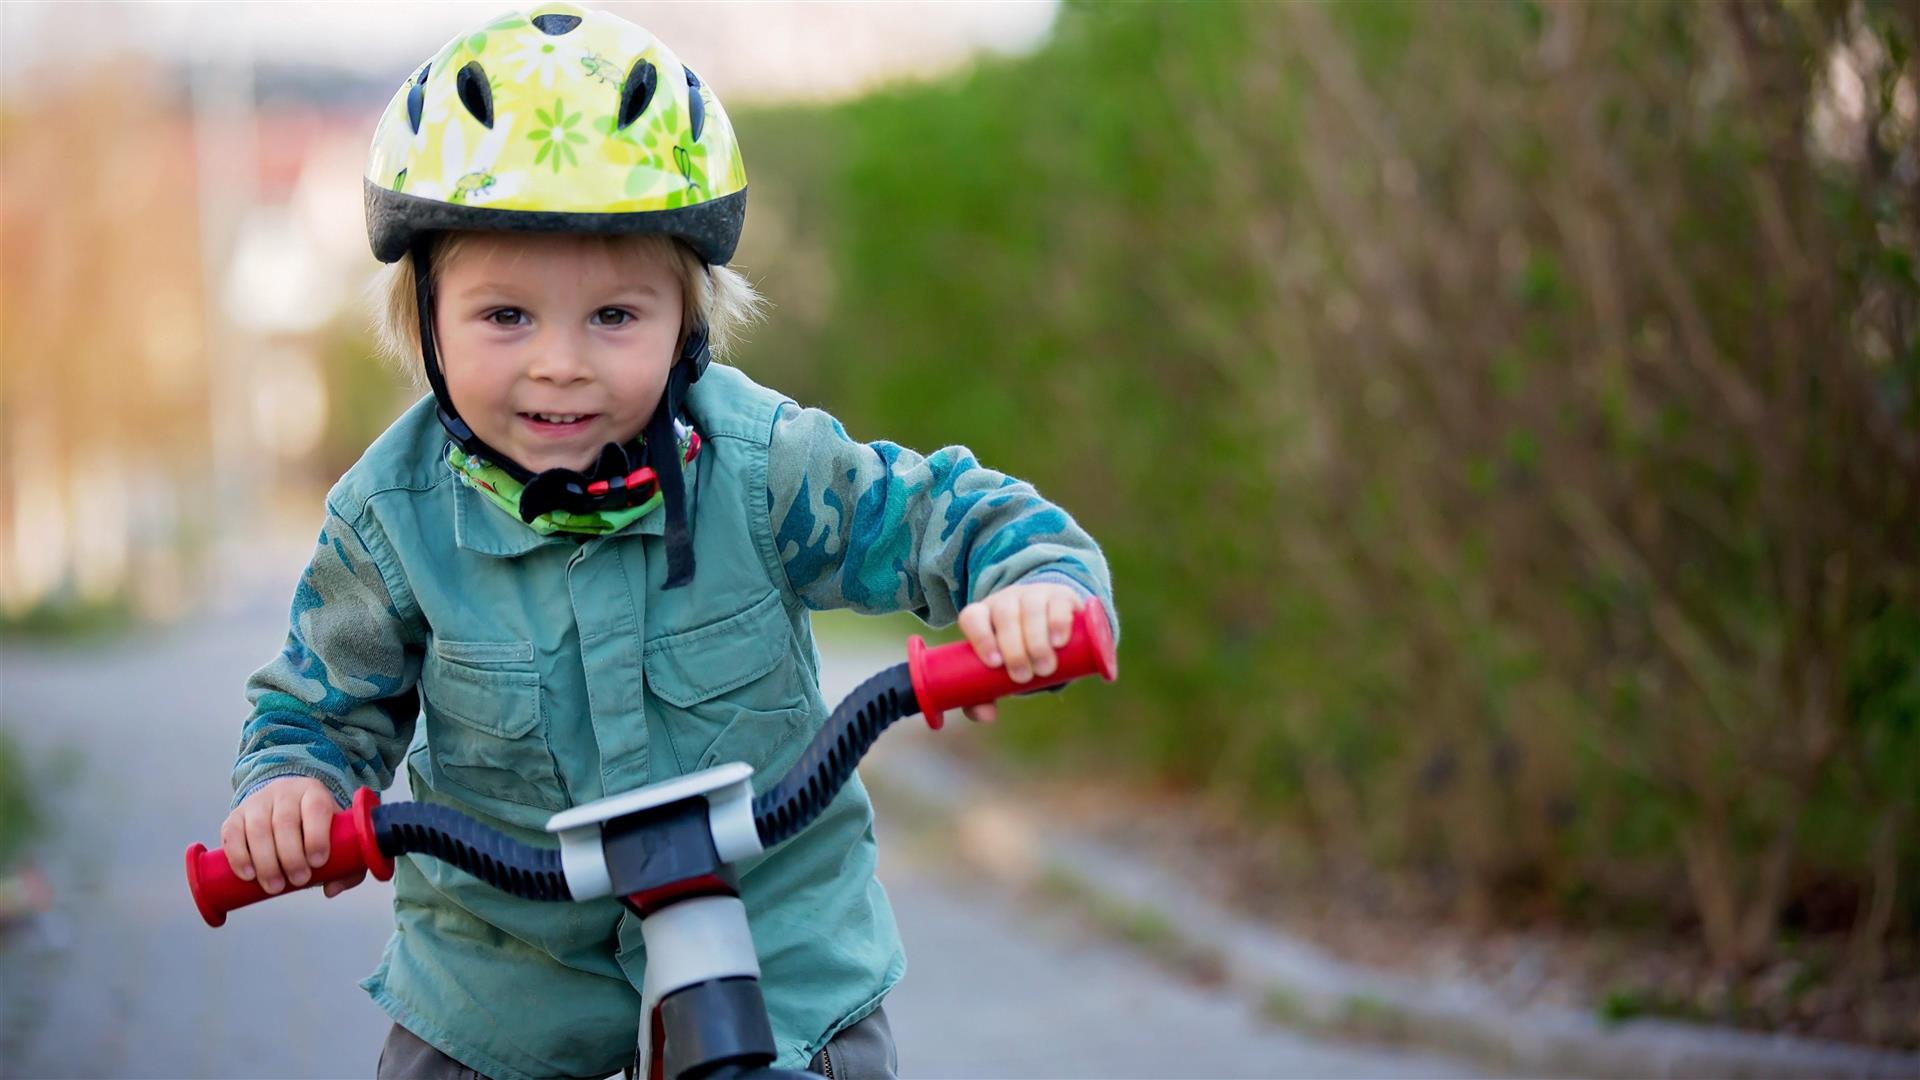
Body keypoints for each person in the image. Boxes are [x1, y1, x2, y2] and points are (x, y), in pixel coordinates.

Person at [218, 5, 1116, 1079]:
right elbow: (319, 702)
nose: (562, 363)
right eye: (506, 316)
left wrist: (1030, 587)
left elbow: (944, 515)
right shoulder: (392, 519)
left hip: (775, 954)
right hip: (505, 979)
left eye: (615, 317)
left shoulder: (760, 464)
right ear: (425, 318)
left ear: (688, 321)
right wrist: (294, 789)